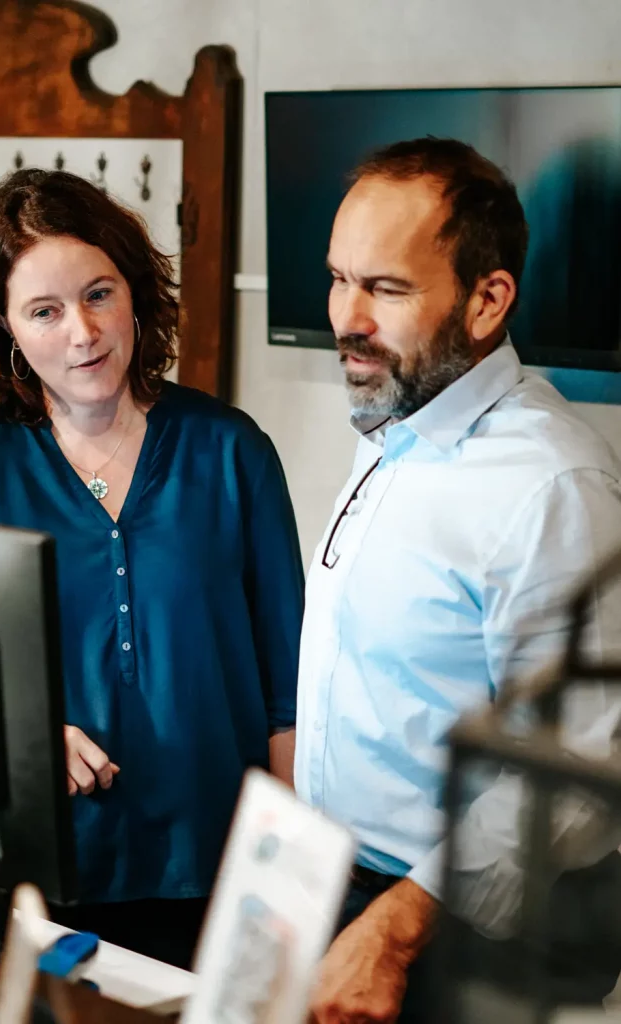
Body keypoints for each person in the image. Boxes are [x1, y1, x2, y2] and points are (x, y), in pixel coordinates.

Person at [0, 168, 304, 969]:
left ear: (135, 294)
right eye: (43, 311)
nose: (82, 333)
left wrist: (287, 886)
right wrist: (20, 734)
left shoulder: (232, 452)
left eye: (99, 294)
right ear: (3, 327)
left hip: (215, 877)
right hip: (31, 883)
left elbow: (288, 694)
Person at [294, 137, 621, 1022]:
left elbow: (578, 770)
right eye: (337, 278)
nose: (345, 316)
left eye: (385, 289)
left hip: (454, 938)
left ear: (487, 300)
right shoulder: (396, 423)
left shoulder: (550, 487)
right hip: (347, 893)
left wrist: (397, 929)